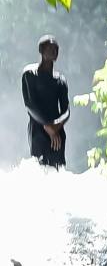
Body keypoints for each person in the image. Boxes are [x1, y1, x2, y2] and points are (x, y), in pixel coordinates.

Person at [20, 36, 68, 169]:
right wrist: (47, 125)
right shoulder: (30, 74)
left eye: (56, 48)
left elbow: (66, 110)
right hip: (38, 129)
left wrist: (56, 127)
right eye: (50, 47)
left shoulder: (60, 80)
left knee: (58, 169)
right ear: (41, 50)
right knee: (40, 169)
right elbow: (30, 104)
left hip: (57, 132)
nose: (54, 51)